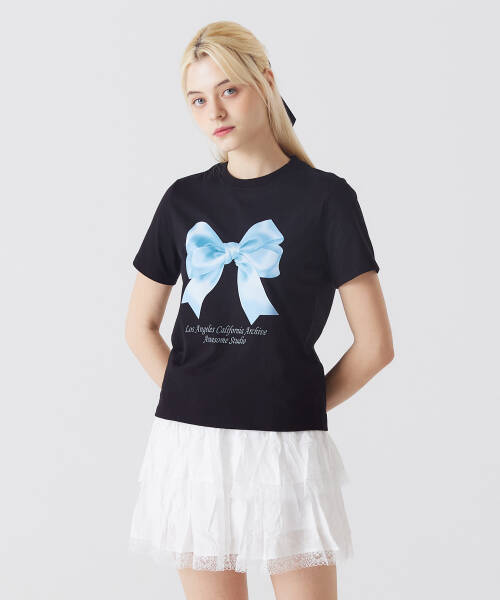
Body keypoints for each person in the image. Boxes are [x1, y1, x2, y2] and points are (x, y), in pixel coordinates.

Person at [125, 20, 394, 600]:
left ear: (265, 81)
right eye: (198, 99)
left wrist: (294, 400)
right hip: (191, 445)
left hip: (285, 446)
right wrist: (194, 396)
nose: (215, 111)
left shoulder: (328, 199)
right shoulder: (182, 199)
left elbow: (376, 346)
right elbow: (139, 326)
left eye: (229, 89)